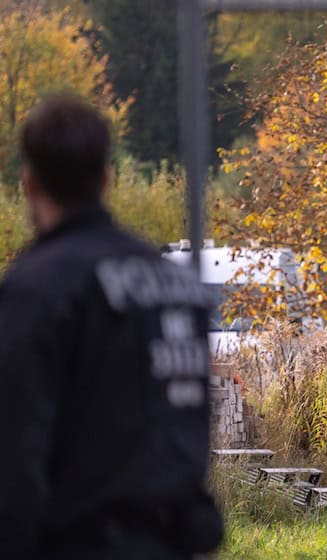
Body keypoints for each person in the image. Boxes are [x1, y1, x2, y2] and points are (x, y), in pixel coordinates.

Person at [0, 96, 222, 557]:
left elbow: (15, 457)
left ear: (29, 183)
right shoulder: (175, 285)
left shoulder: (37, 291)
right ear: (105, 178)